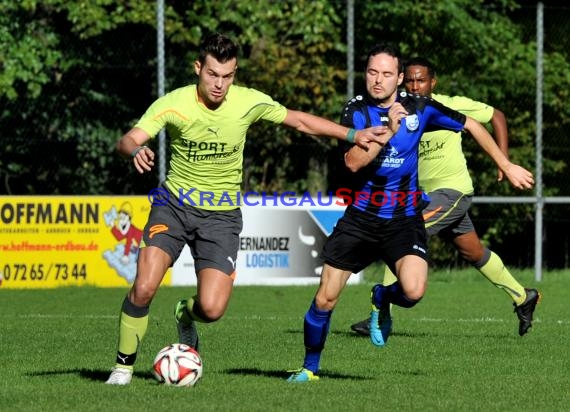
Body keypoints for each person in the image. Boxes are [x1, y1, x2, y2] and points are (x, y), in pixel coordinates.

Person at [104, 33, 394, 385]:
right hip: (174, 206)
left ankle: (184, 313)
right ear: (198, 68)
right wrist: (135, 150)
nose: (219, 84)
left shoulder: (247, 102)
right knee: (145, 286)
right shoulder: (174, 103)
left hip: (221, 217)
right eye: (212, 74)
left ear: (235, 73)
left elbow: (298, 120)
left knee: (211, 308)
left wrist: (351, 135)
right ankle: (122, 368)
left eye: (227, 76)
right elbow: (129, 138)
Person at [286, 45, 534, 383]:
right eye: (373, 72)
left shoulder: (421, 107)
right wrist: (388, 129)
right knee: (325, 299)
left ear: (399, 78)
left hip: (404, 219)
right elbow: (353, 163)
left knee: (414, 291)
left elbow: (473, 125)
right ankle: (309, 369)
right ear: (366, 74)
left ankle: (382, 295)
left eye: (387, 74)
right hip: (361, 219)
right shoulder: (356, 110)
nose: (378, 80)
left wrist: (504, 163)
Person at [349, 57, 541, 339]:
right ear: (402, 80)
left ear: (432, 82)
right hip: (424, 196)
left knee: (402, 233)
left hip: (452, 190)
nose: (415, 86)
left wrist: (504, 162)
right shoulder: (397, 111)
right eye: (411, 80)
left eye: (421, 80)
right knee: (473, 252)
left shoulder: (449, 105)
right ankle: (523, 296)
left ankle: (381, 313)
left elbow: (496, 116)